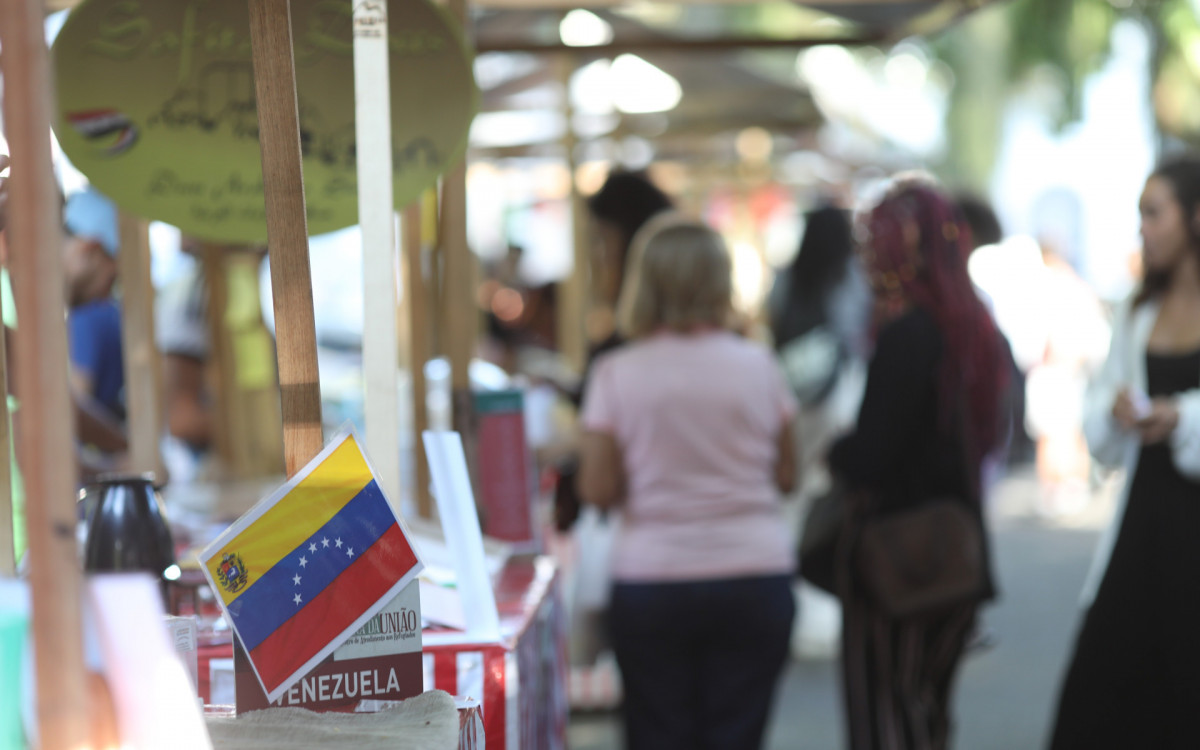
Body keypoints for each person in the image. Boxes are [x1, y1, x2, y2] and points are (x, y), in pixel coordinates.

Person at [578, 214, 798, 750]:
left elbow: (598, 489)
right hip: (755, 574)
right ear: (722, 281)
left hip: (652, 579)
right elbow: (787, 477)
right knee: (737, 735)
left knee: (657, 734)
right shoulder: (760, 366)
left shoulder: (616, 372)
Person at [828, 178, 1009, 750]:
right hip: (957, 549)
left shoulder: (909, 334)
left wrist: (836, 451)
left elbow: (872, 458)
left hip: (899, 558)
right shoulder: (975, 328)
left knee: (889, 716)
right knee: (927, 716)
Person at [1047, 156, 1200, 749]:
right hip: (1143, 535)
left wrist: (1183, 416)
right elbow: (1102, 426)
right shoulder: (1138, 314)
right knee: (1100, 697)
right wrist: (1115, 414)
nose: (1143, 228)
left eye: (1154, 212)